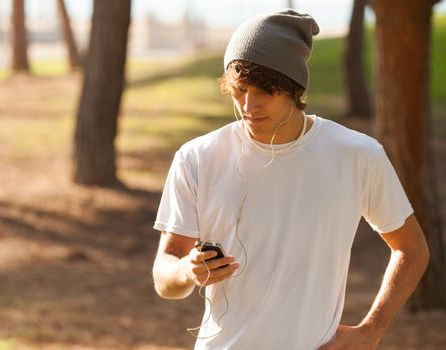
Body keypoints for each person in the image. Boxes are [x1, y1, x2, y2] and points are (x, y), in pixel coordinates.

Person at [151, 9, 429, 350]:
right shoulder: (197, 157)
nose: (248, 105)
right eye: (239, 90)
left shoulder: (357, 155)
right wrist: (186, 271)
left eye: (264, 91)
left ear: (292, 87)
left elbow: (412, 249)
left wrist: (372, 330)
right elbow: (165, 278)